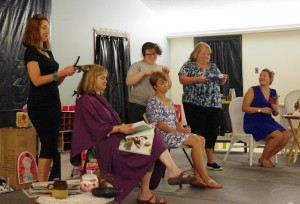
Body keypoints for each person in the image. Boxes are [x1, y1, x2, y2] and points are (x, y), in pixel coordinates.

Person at [70, 65, 195, 203]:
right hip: (107, 145)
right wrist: (119, 129)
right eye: (102, 78)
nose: (106, 81)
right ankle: (156, 184)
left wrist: (124, 127)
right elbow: (94, 128)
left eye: (106, 77)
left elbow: (109, 124)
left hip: (116, 138)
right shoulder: (86, 101)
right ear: (92, 78)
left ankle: (166, 176)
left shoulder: (98, 99)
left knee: (152, 132)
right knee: (151, 142)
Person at [22, 13, 77, 182]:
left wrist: (64, 75)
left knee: (51, 146)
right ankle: (40, 186)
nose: (47, 31)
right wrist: (59, 73)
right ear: (34, 29)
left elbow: (54, 82)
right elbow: (37, 80)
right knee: (48, 145)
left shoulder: (47, 53)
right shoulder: (30, 52)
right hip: (40, 105)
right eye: (44, 27)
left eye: (48, 27)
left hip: (53, 104)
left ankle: (42, 184)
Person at [147, 72, 223, 189]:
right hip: (162, 136)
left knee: (202, 139)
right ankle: (205, 178)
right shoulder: (153, 101)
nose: (166, 84)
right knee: (196, 141)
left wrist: (183, 129)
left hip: (173, 132)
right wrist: (176, 132)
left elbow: (175, 121)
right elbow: (158, 123)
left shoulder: (170, 101)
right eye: (162, 83)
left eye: (166, 81)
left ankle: (197, 177)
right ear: (155, 86)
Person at [178, 42, 228, 171]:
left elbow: (219, 80)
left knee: (211, 133)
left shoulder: (212, 66)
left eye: (208, 54)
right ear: (196, 53)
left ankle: (210, 161)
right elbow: (182, 79)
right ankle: (197, 162)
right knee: (198, 133)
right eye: (203, 53)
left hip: (213, 104)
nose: (206, 56)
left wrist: (222, 80)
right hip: (194, 104)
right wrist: (197, 79)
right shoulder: (189, 64)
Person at [242, 68, 290, 168]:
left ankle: (266, 158)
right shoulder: (252, 90)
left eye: (264, 75)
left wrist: (276, 110)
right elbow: (244, 108)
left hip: (268, 121)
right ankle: (263, 158)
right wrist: (260, 110)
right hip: (253, 121)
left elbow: (275, 113)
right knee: (278, 135)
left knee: (286, 135)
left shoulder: (274, 92)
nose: (261, 77)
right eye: (260, 75)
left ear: (270, 79)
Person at [126, 42, 172, 123]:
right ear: (144, 54)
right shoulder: (137, 65)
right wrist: (143, 72)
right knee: (138, 132)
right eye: (149, 54)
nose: (152, 56)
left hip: (155, 105)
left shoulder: (160, 68)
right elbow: (129, 82)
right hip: (138, 105)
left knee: (154, 131)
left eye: (154, 54)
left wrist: (167, 74)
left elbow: (168, 86)